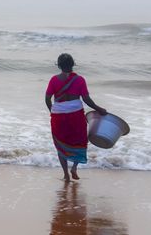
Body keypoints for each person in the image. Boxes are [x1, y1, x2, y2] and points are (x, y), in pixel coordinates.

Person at [44, 53, 107, 181]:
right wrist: (99, 109)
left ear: (59, 66)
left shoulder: (54, 80)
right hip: (75, 115)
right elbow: (86, 99)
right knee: (80, 141)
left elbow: (47, 98)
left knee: (61, 144)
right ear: (73, 64)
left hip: (58, 116)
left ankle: (66, 174)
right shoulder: (79, 80)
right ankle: (74, 168)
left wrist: (53, 111)